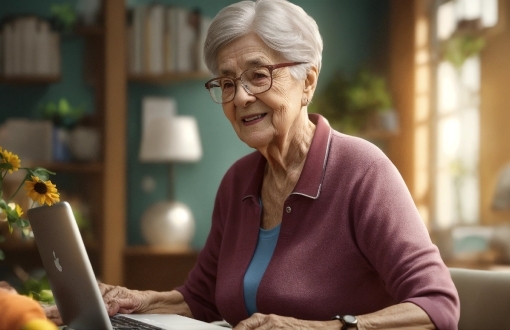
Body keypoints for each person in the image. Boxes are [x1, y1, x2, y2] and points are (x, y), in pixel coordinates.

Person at [48, 0, 460, 329]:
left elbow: (437, 305)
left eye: (258, 75)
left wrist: (322, 328)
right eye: (227, 83)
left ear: (308, 82)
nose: (240, 96)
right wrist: (139, 300)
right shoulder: (238, 182)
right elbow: (204, 297)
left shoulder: (363, 170)